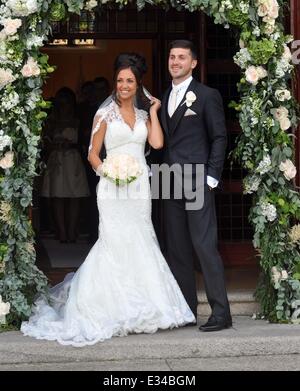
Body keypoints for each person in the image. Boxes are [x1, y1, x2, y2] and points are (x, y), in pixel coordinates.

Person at [21, 53, 195, 347]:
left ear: (138, 84)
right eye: (119, 80)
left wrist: (153, 111)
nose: (123, 85)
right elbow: (92, 153)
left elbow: (156, 143)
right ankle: (110, 307)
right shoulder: (104, 114)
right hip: (112, 188)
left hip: (139, 187)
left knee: (142, 238)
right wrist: (108, 172)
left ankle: (147, 307)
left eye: (129, 81)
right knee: (113, 241)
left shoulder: (142, 116)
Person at [161, 40, 232, 332]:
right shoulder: (164, 95)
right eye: (172, 57)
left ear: (193, 64)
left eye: (181, 57)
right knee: (176, 248)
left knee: (203, 245)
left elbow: (219, 137)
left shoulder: (206, 95)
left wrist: (211, 175)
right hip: (166, 178)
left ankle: (221, 312)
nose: (175, 61)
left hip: (197, 177)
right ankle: (186, 310)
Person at [41, 87, 90, 243]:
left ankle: (71, 230)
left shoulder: (78, 120)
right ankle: (62, 232)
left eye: (67, 103)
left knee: (74, 196)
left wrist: (72, 145)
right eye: (61, 103)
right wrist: (55, 146)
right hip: (57, 161)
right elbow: (44, 143)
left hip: (73, 160)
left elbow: (85, 142)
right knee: (57, 197)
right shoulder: (51, 122)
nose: (64, 106)